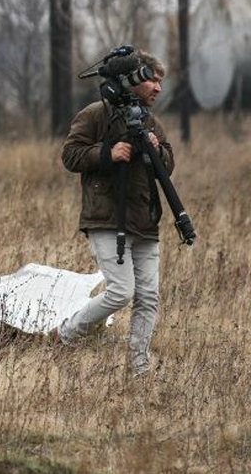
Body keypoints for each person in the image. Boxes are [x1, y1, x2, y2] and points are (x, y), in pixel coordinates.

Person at [53, 49, 174, 377]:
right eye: (153, 80)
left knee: (148, 297)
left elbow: (169, 165)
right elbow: (70, 155)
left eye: (161, 81)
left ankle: (139, 368)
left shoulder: (151, 122)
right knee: (122, 291)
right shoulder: (95, 114)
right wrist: (107, 153)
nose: (158, 88)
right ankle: (67, 333)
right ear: (132, 80)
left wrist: (157, 148)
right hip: (106, 217)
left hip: (145, 220)